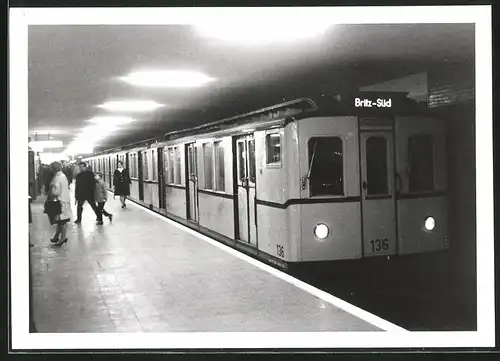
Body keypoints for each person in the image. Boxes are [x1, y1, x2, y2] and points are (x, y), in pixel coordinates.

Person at [46, 161, 72, 246]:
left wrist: (51, 189)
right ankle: (57, 236)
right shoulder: (62, 176)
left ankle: (62, 238)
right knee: (61, 221)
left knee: (62, 221)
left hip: (60, 201)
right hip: (64, 200)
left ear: (54, 168)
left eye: (51, 167)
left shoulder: (58, 177)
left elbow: (56, 191)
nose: (50, 169)